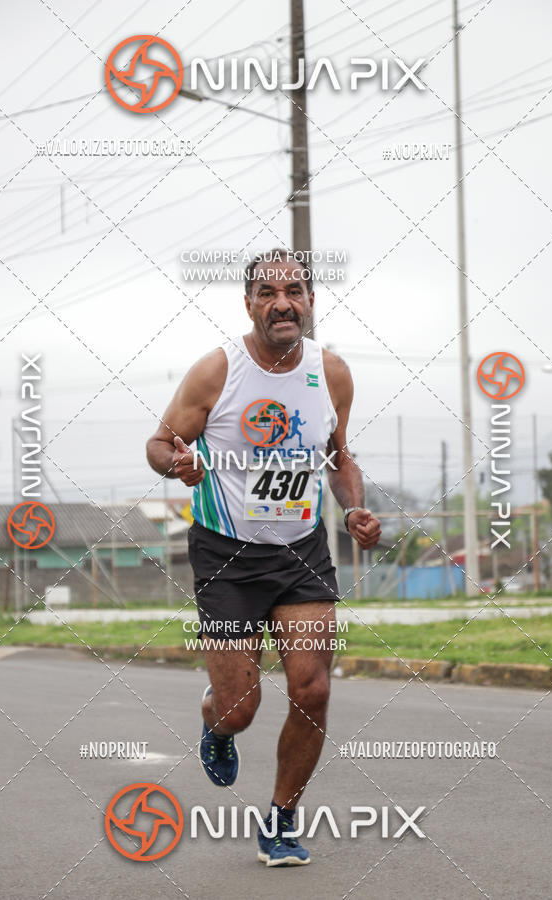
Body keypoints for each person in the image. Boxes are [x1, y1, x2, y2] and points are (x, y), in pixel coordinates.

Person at [146, 248, 381, 866]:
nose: (284, 302)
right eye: (269, 292)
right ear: (248, 303)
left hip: (301, 551)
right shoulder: (216, 371)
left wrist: (353, 505)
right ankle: (214, 719)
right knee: (239, 709)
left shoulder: (331, 374)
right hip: (226, 556)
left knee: (313, 688)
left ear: (310, 300)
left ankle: (280, 821)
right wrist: (178, 461)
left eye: (296, 290)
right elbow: (159, 440)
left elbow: (338, 457)